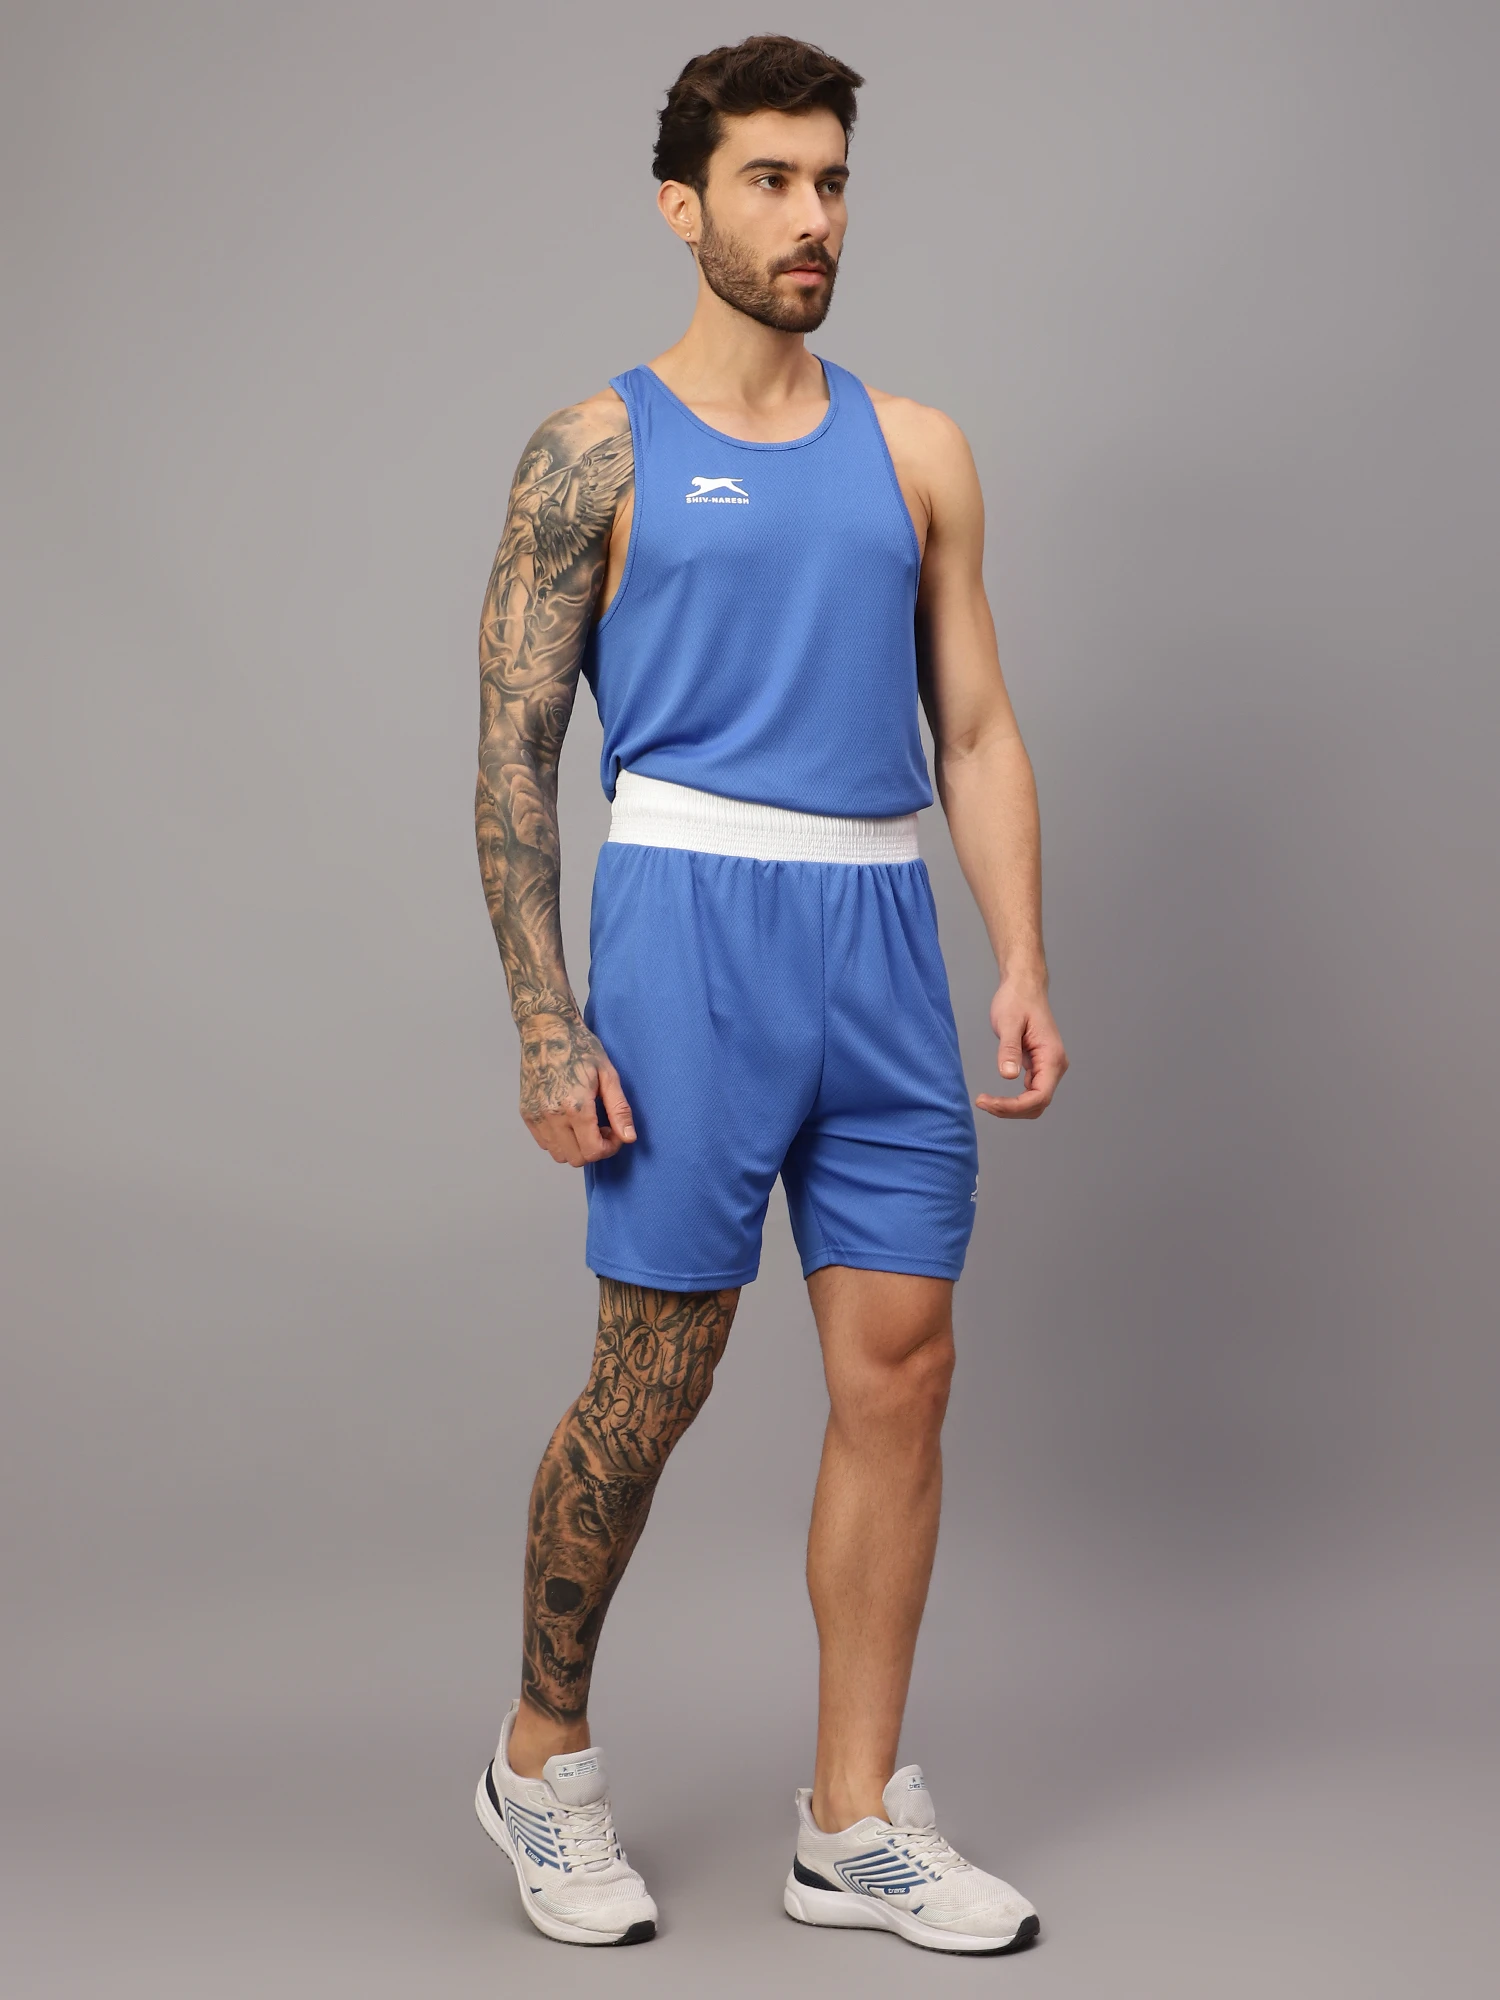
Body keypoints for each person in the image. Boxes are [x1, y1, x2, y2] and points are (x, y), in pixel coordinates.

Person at [471, 34, 1067, 1955]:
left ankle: (852, 1818)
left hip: (881, 937)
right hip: (691, 940)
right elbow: (515, 755)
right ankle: (541, 1756)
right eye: (770, 182)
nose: (812, 219)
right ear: (684, 204)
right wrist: (546, 1019)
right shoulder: (594, 451)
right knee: (654, 1383)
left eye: (831, 183)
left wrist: (1018, 958)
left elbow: (973, 728)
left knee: (904, 1369)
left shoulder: (918, 449)